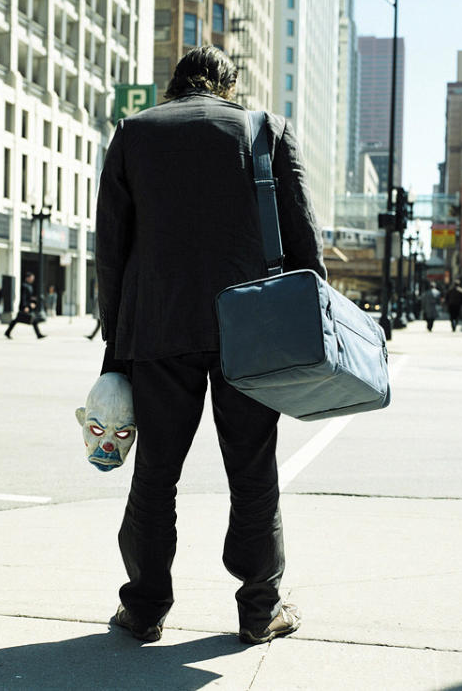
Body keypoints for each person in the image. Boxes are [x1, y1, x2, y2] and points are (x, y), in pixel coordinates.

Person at [96, 46, 325, 645]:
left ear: (173, 86)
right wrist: (314, 326)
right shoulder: (263, 130)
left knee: (155, 475)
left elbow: (112, 251)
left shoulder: (133, 132)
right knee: (252, 474)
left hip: (158, 327)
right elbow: (302, 235)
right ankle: (259, 610)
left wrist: (114, 350)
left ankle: (144, 608)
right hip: (251, 329)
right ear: (229, 85)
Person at [4, 272, 46, 339]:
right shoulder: (24, 286)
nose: (33, 279)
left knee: (19, 320)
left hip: (27, 306)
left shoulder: (29, 286)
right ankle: (38, 334)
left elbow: (28, 297)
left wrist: (33, 299)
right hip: (25, 306)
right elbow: (23, 297)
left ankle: (7, 332)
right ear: (28, 278)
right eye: (32, 278)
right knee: (19, 320)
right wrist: (26, 306)